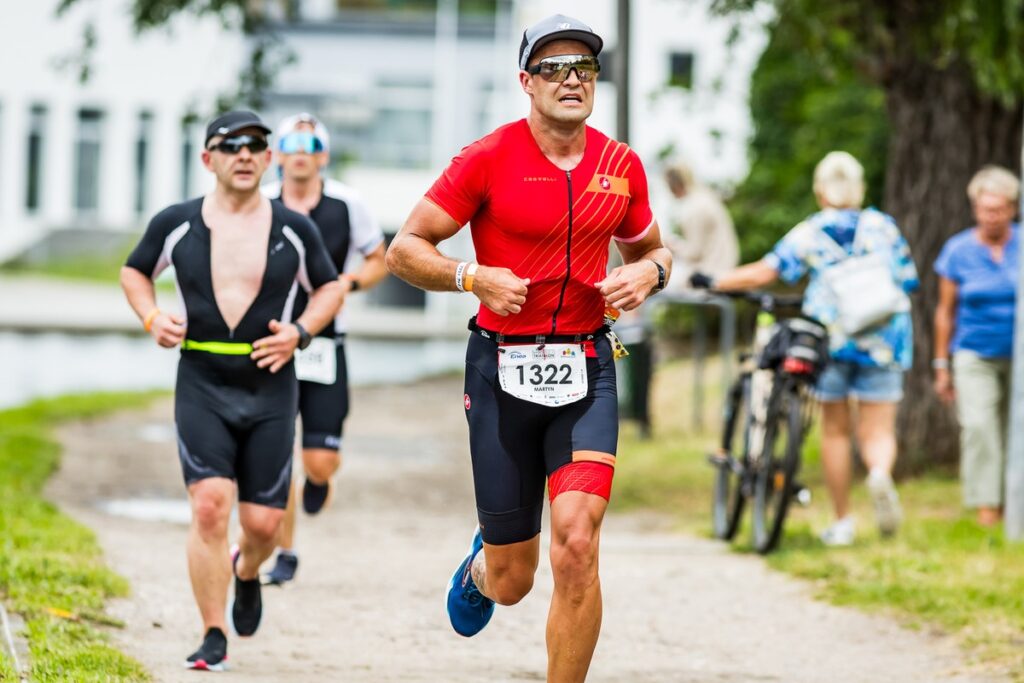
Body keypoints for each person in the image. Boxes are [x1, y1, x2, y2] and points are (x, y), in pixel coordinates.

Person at [386, 14, 671, 681]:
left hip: (588, 366)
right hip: (500, 370)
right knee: (515, 578)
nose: (572, 80)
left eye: (584, 68)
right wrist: (471, 276)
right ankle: (483, 568)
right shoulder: (487, 157)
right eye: (553, 68)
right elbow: (404, 249)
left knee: (578, 540)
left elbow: (656, 249)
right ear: (526, 81)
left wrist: (648, 273)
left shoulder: (619, 165)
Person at [120, 110, 342, 671]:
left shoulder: (294, 226)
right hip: (202, 382)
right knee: (210, 507)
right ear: (207, 159)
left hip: (270, 386)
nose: (244, 153)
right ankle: (212, 632)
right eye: (230, 145)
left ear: (268, 159)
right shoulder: (177, 221)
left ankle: (247, 570)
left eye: (255, 145)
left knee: (264, 525)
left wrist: (301, 331)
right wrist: (151, 318)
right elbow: (135, 271)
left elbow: (331, 288)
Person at [692, 151, 919, 546]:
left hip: (831, 338)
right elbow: (906, 280)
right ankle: (880, 473)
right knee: (878, 428)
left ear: (819, 191)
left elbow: (766, 271)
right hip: (885, 339)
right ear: (859, 187)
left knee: (835, 430)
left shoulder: (813, 231)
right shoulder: (883, 227)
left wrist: (715, 280)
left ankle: (843, 521)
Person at [259, 112, 387, 585]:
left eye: (309, 146)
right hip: (272, 338)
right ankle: (284, 553)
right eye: (290, 145)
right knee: (276, 455)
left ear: (323, 157)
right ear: (277, 156)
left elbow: (380, 260)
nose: (299, 154)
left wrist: (348, 282)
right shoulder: (261, 204)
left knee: (317, 460)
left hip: (326, 342)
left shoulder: (346, 205)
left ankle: (319, 478)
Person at [933, 165, 1020, 527]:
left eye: (999, 209)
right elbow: (945, 311)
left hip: (1019, 353)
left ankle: (1016, 502)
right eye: (985, 209)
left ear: (1013, 209)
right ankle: (988, 507)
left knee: (1015, 429)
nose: (992, 216)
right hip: (974, 352)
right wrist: (941, 364)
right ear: (975, 209)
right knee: (981, 427)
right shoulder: (957, 251)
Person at [661, 160, 739, 290]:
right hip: (723, 266)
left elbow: (694, 253)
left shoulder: (695, 207)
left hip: (710, 271)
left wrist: (672, 246)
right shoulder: (705, 198)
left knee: (651, 278)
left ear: (675, 184)